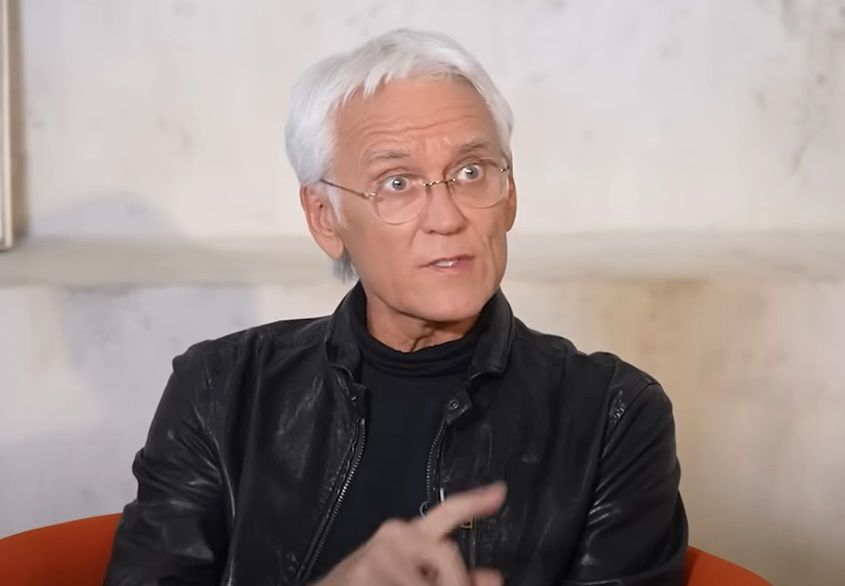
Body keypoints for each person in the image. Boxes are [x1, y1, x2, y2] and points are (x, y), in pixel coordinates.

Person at [105, 28, 687, 586]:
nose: (447, 218)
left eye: (471, 172)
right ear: (325, 219)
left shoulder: (611, 415)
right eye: (397, 183)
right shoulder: (221, 390)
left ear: (510, 194)